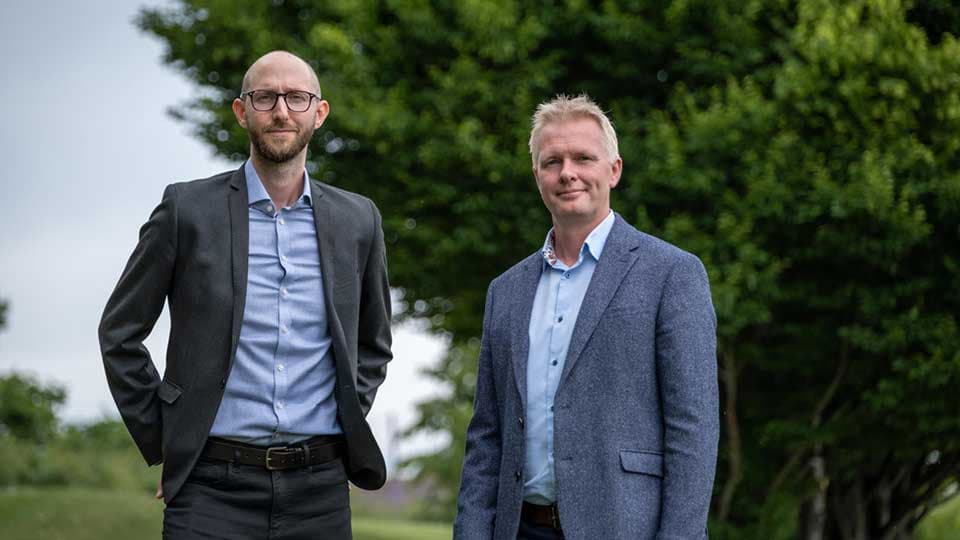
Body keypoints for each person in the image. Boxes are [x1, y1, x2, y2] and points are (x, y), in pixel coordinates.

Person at [99, 50, 392, 539]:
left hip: (319, 490)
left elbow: (374, 342)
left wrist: (344, 413)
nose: (281, 110)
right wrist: (170, 438)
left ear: (319, 113)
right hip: (211, 486)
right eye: (265, 97)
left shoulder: (359, 219)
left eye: (297, 98)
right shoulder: (186, 210)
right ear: (242, 111)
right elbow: (120, 333)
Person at [453, 95, 719, 540]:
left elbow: (693, 431)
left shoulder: (672, 274)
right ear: (537, 174)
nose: (567, 172)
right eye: (552, 161)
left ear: (613, 169)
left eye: (583, 158)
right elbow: (487, 437)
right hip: (518, 529)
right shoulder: (507, 291)